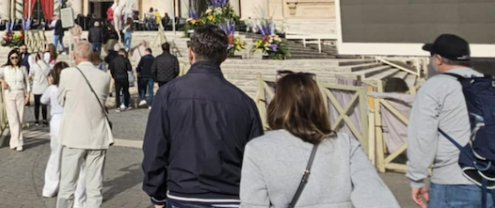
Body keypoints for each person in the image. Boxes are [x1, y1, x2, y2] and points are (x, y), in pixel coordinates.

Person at [143, 25, 264, 208]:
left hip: (183, 194)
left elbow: (154, 148)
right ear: (224, 56)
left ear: (190, 53)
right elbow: (257, 157)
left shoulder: (168, 94)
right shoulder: (245, 102)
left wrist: (157, 195)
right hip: (231, 196)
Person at [241, 71, 399, 207]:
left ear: (278, 104)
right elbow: (375, 198)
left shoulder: (258, 148)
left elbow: (253, 204)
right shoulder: (344, 144)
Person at [407, 34, 495, 208]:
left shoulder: (435, 86)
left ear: (439, 59)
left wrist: (417, 179)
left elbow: (422, 136)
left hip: (456, 183)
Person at [56, 41, 113, 208]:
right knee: (95, 188)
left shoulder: (67, 74)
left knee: (67, 186)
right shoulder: (104, 77)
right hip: (97, 136)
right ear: (91, 56)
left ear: (74, 56)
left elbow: (61, 100)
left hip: (74, 135)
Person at [42, 62, 88, 203]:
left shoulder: (52, 89)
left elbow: (43, 100)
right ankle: (74, 188)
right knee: (74, 156)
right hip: (70, 120)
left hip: (56, 121)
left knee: (56, 154)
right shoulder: (73, 88)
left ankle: (50, 187)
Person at [0, 49, 31, 151]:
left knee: (20, 118)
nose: (14, 60)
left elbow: (27, 82)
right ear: (9, 59)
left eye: (16, 57)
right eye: (12, 58)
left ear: (19, 58)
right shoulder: (6, 69)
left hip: (20, 94)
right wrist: (2, 81)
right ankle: (18, 142)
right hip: (10, 94)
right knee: (13, 119)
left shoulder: (23, 68)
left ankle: (14, 141)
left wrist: (28, 95)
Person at [106, 43, 133, 112]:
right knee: (125, 91)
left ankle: (118, 106)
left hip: (117, 77)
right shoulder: (125, 60)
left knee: (117, 92)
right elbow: (129, 69)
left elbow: (111, 69)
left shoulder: (113, 60)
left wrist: (113, 75)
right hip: (124, 76)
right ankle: (126, 104)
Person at [30, 51, 53, 126]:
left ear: (37, 58)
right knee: (44, 104)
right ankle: (44, 119)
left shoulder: (34, 65)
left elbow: (30, 75)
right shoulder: (47, 66)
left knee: (36, 105)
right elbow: (49, 74)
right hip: (44, 87)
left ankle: (36, 120)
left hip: (36, 87)